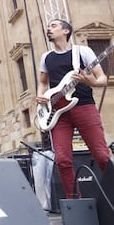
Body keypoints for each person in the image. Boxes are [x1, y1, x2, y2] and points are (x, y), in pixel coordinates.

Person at [36, 19, 111, 198]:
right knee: (62, 160)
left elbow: (102, 79)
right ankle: (75, 201)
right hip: (58, 114)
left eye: (53, 26)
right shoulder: (46, 57)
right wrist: (41, 96)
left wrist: (89, 81)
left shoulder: (82, 52)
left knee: (101, 155)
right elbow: (43, 81)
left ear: (66, 31)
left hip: (84, 106)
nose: (49, 29)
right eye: (48, 27)